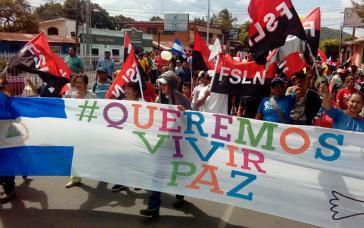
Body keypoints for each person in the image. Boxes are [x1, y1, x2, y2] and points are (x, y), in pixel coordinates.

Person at [140, 70, 191, 218]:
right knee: (158, 172)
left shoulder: (182, 100)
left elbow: (193, 119)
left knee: (178, 171)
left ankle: (180, 195)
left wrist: (184, 113)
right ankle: (153, 206)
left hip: (178, 143)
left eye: (163, 84)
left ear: (171, 85)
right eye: (160, 84)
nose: (160, 87)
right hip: (162, 141)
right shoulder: (159, 99)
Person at [66, 74, 96, 188]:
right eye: (76, 82)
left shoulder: (92, 96)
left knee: (87, 154)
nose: (78, 85)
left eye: (80, 83)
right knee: (74, 154)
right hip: (74, 129)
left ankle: (98, 173)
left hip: (87, 130)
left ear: (86, 84)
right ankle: (75, 178)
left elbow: (96, 114)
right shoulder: (71, 95)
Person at [111, 82, 143, 192]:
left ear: (135, 91)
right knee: (122, 159)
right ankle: (122, 182)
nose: (126, 91)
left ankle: (138, 181)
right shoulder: (122, 103)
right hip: (124, 136)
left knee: (137, 160)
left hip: (138, 136)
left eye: (129, 89)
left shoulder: (142, 103)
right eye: (125, 89)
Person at [0, 73, 15, 204]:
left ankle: (9, 190)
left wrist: (4, 85)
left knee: (7, 161)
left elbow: (11, 97)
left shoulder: (5, 95)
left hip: (6, 133)